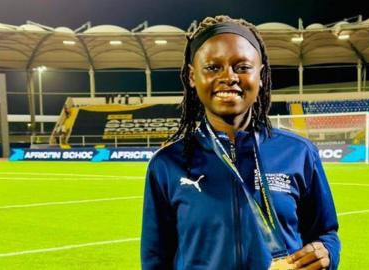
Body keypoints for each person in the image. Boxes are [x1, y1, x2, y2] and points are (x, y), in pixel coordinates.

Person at [141, 16, 340, 270]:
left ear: (260, 75)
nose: (229, 77)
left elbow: (326, 234)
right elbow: (155, 260)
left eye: (242, 67)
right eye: (213, 67)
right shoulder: (167, 164)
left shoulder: (299, 153)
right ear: (192, 76)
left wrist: (327, 254)